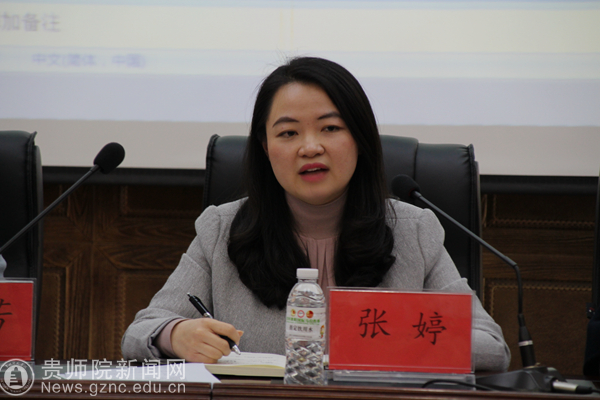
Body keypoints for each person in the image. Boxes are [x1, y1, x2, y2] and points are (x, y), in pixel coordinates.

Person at [121, 56, 510, 371]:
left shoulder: (414, 231)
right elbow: (141, 332)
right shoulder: (221, 229)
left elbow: (490, 346)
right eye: (288, 133)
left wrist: (383, 340)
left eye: (330, 128)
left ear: (359, 138)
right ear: (265, 147)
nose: (310, 147)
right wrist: (177, 334)